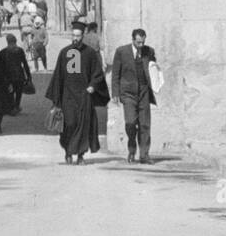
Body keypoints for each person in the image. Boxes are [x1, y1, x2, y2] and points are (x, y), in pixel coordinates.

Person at [46, 20, 108, 164]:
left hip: (84, 96)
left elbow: (97, 73)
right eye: (73, 36)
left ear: (83, 36)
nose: (75, 39)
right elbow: (58, 76)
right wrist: (56, 98)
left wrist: (93, 85)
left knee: (84, 124)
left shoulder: (90, 53)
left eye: (78, 36)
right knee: (69, 124)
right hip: (67, 96)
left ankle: (80, 155)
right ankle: (68, 151)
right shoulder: (64, 53)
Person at [111, 28, 159, 163]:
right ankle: (132, 148)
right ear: (133, 40)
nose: (141, 45)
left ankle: (144, 155)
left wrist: (156, 82)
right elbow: (115, 74)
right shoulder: (121, 52)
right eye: (138, 42)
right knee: (130, 122)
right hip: (128, 93)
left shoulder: (149, 51)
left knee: (145, 125)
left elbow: (153, 68)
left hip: (144, 91)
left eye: (143, 42)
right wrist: (115, 93)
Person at [0, 32, 33, 114]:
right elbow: (25, 64)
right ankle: (16, 106)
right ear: (15, 41)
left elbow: (0, 67)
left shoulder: (3, 52)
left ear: (7, 41)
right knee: (18, 92)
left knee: (10, 92)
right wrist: (29, 76)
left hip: (8, 76)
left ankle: (12, 107)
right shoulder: (20, 51)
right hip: (19, 75)